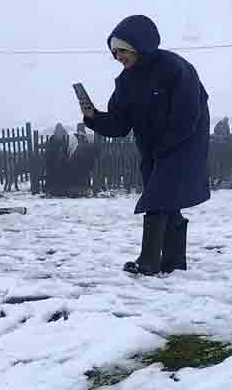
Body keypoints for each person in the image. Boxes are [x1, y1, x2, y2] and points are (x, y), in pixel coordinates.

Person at [79, 15, 210, 276]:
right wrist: (94, 117)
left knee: (156, 197)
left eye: (123, 51)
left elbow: (188, 115)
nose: (118, 57)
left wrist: (167, 143)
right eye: (114, 52)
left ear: (140, 45)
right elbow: (119, 124)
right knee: (167, 201)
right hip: (151, 148)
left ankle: (148, 262)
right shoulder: (125, 83)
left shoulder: (176, 69)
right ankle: (174, 263)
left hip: (183, 144)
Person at [44, 123, 70, 196]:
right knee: (53, 174)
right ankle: (53, 191)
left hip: (59, 164)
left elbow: (64, 153)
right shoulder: (53, 140)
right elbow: (50, 153)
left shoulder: (61, 141)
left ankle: (58, 191)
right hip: (53, 164)